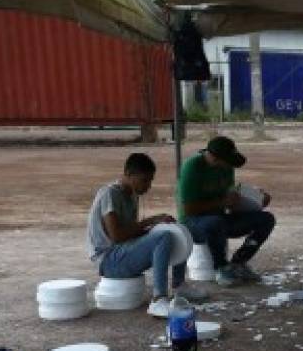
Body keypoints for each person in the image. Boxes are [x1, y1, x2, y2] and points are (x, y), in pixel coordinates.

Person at [87, 152, 207, 319]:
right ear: (129, 174)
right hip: (108, 260)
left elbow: (132, 233)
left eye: (150, 181)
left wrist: (157, 226)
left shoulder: (132, 196)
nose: (148, 186)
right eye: (145, 180)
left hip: (123, 251)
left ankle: (179, 285)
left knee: (176, 231)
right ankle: (159, 299)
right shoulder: (109, 193)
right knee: (163, 236)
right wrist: (151, 221)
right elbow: (117, 236)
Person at [178, 136, 276, 286]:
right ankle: (221, 267)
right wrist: (222, 202)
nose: (230, 166)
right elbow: (189, 209)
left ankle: (238, 263)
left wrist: (255, 200)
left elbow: (230, 200)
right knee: (214, 222)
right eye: (227, 162)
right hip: (193, 222)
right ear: (215, 158)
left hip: (219, 218)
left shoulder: (227, 167)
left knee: (266, 219)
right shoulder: (192, 166)